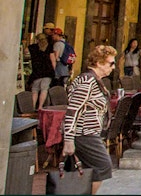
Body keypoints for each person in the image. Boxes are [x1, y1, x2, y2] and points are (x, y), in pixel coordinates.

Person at [63, 44, 117, 194]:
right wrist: (68, 140)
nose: (113, 67)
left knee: (91, 169)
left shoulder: (95, 81)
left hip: (90, 133)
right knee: (103, 166)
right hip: (84, 133)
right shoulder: (87, 81)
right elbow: (73, 111)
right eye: (111, 63)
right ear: (99, 63)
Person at [26, 33, 55, 111]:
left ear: (37, 39)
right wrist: (53, 70)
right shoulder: (49, 47)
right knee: (44, 89)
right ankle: (40, 107)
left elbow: (25, 52)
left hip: (37, 71)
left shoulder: (32, 47)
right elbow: (53, 60)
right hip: (47, 71)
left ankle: (32, 107)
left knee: (35, 90)